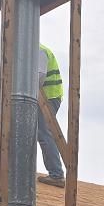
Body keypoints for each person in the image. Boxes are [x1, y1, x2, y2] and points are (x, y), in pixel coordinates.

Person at [37, 43, 64, 185]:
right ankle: (7, 162)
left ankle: (56, 174)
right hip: (45, 96)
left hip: (48, 97)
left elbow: (39, 76)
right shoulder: (37, 49)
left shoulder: (38, 50)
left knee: (43, 133)